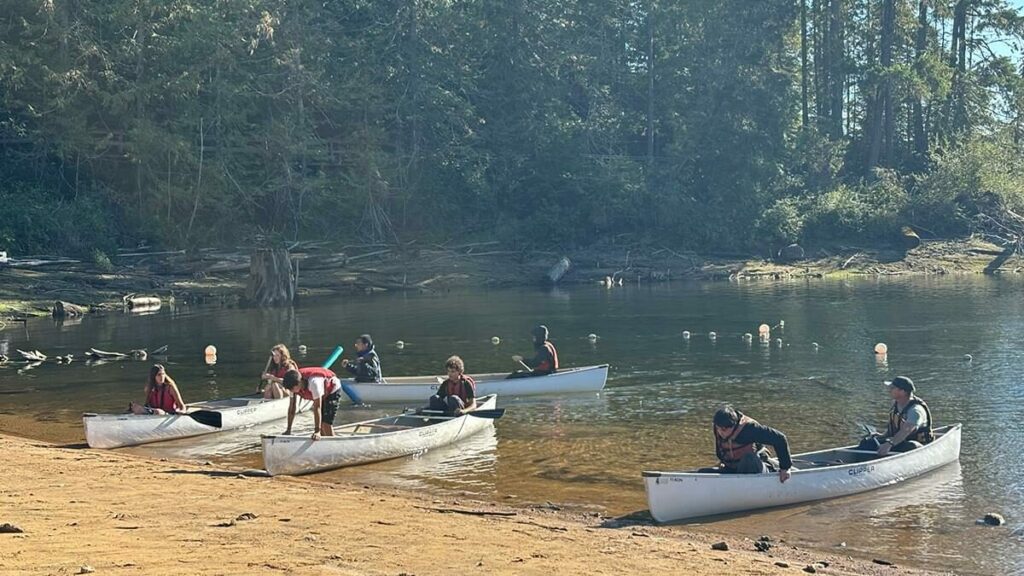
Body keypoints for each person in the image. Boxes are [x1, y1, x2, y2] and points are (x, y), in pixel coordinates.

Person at [698, 405, 793, 484]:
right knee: (701, 474)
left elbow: (780, 438)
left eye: (724, 429)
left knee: (748, 459)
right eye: (718, 428)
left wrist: (785, 468)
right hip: (733, 470)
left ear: (734, 425)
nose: (720, 432)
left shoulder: (750, 429)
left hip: (755, 468)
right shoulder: (718, 428)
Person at [859, 376, 933, 456]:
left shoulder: (915, 411)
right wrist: (883, 435)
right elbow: (894, 426)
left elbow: (906, 430)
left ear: (902, 391)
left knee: (911, 445)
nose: (889, 390)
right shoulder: (895, 404)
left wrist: (889, 444)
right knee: (867, 443)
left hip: (917, 446)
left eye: (892, 388)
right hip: (899, 442)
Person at [282, 366, 343, 440]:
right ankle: (323, 443)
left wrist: (317, 431)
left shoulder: (314, 383)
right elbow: (292, 408)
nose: (291, 391)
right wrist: (288, 430)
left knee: (325, 423)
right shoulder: (292, 386)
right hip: (321, 393)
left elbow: (317, 407)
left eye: (292, 389)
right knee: (322, 425)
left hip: (332, 389)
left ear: (299, 384)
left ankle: (334, 444)